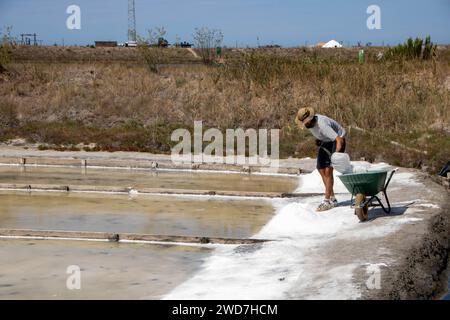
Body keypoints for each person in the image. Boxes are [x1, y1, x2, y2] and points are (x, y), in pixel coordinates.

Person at [295, 107, 347, 212]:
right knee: (320, 169)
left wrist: (335, 155)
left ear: (310, 119)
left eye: (305, 123)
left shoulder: (322, 125)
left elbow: (339, 140)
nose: (304, 125)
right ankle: (333, 199)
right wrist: (319, 139)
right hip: (326, 141)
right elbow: (319, 133)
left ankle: (327, 201)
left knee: (328, 171)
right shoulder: (310, 124)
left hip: (336, 142)